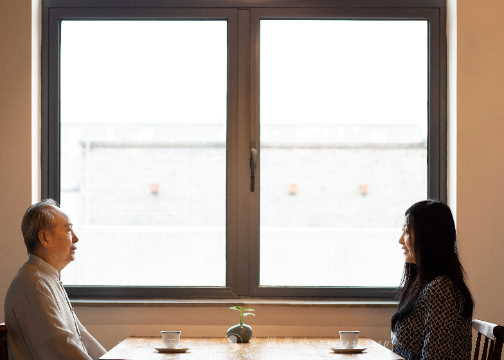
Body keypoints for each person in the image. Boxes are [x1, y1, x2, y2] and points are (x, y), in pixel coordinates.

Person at [4, 199, 107, 360]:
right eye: (68, 230)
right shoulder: (33, 283)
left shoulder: (46, 276)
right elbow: (61, 349)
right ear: (45, 238)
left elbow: (81, 337)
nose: (75, 238)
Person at [391, 200, 474, 360]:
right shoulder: (424, 284)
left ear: (428, 238)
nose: (401, 240)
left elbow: (436, 357)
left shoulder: (442, 289)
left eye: (407, 232)